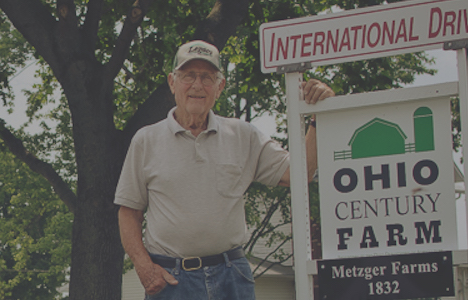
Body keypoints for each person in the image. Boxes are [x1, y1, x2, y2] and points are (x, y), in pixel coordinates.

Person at [115, 40, 332, 300]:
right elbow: (129, 211)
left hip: (232, 277)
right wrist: (144, 267)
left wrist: (320, 116)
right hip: (171, 280)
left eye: (207, 77)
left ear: (220, 87)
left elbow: (299, 174)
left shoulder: (243, 135)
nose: (197, 85)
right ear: (172, 82)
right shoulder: (145, 140)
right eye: (188, 76)